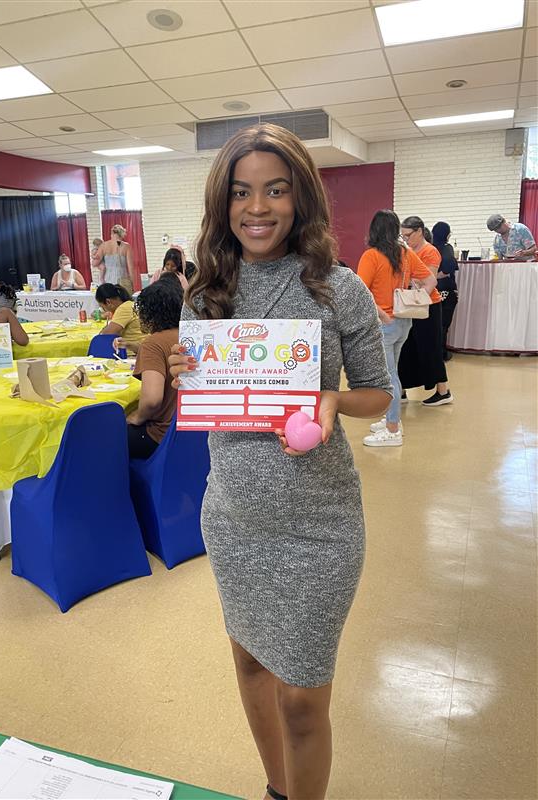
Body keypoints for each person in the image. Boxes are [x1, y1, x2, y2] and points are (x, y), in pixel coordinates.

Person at [169, 123, 392, 800]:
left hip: (318, 526)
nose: (257, 207)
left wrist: (332, 399)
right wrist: (183, 373)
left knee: (301, 697)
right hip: (234, 518)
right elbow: (207, 401)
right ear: (223, 203)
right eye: (241, 192)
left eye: (276, 190)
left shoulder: (338, 287)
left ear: (301, 199)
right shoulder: (203, 295)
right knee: (250, 667)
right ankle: (276, 790)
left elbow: (379, 395)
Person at [357, 210, 436, 446]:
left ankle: (392, 430)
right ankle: (392, 419)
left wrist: (382, 315)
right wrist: (417, 298)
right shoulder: (406, 253)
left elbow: (361, 293)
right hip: (404, 320)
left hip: (384, 324)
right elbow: (430, 280)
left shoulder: (371, 256)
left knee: (388, 376)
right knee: (393, 372)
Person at [399, 215, 453, 407]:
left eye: (408, 235)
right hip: (410, 304)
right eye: (403, 236)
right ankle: (402, 389)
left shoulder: (430, 251)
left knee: (430, 347)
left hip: (428, 305)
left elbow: (428, 280)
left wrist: (412, 281)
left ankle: (443, 391)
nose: (406, 239)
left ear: (420, 231)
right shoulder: (405, 251)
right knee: (405, 347)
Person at [126, 278, 183, 458]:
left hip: (161, 437)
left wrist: (137, 417)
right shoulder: (192, 336)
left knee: (106, 436)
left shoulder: (153, 343)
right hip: (193, 435)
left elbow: (152, 400)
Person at [432, 221, 459, 361]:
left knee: (432, 323)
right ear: (447, 235)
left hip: (431, 291)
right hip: (445, 290)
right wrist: (436, 276)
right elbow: (449, 265)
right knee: (443, 324)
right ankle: (441, 354)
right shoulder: (446, 248)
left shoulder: (429, 248)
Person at [94, 283, 145, 348]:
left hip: (133, 350)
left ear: (108, 302)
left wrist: (103, 330)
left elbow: (105, 335)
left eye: (103, 307)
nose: (105, 310)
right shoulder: (130, 304)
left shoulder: (124, 308)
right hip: (141, 346)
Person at [92, 225, 135, 293]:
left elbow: (94, 264)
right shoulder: (127, 246)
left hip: (107, 280)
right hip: (122, 280)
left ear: (112, 233)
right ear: (122, 234)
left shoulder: (103, 245)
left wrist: (94, 255)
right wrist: (132, 285)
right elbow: (131, 268)